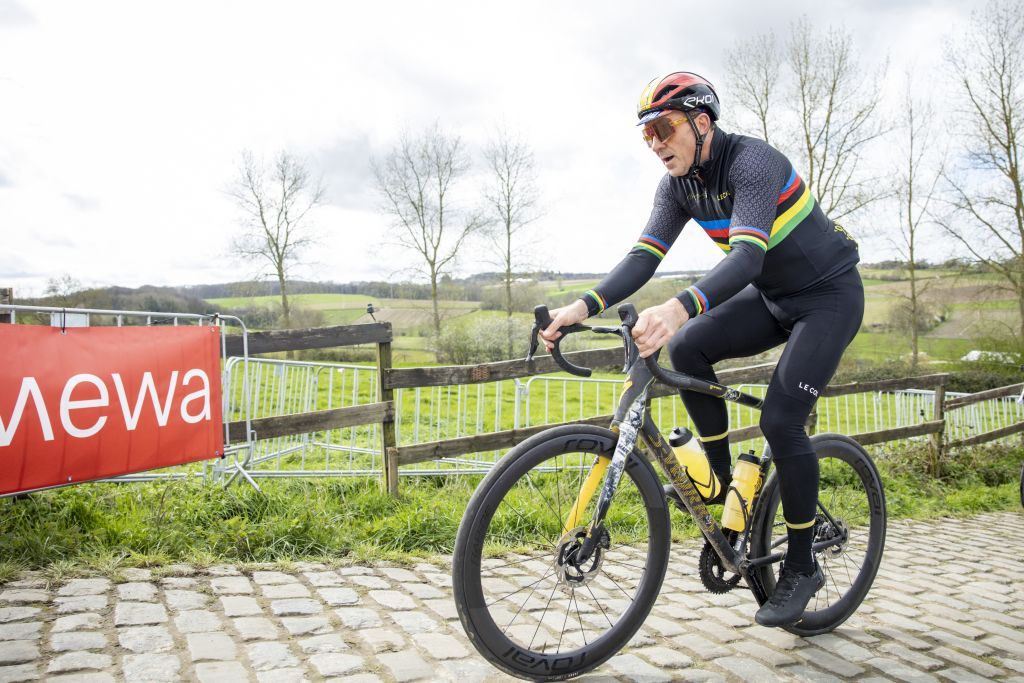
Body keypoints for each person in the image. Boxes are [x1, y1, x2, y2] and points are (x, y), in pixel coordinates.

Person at [539, 72, 863, 627]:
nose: (656, 144)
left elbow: (746, 260)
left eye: (663, 129)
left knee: (782, 421)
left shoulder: (754, 164)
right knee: (688, 350)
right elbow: (644, 258)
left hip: (828, 297)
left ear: (701, 122)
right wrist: (581, 307)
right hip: (774, 299)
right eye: (647, 136)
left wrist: (677, 306)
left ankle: (804, 565)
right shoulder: (676, 186)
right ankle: (718, 480)